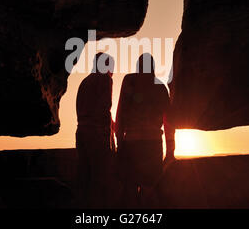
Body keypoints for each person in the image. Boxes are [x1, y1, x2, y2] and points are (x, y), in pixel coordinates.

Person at [115, 53, 175, 207]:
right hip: (152, 143)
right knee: (149, 189)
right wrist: (170, 151)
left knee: (130, 189)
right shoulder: (160, 87)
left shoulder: (130, 81)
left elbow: (121, 113)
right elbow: (169, 122)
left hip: (131, 142)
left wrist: (119, 143)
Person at [75, 52, 115, 208]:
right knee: (100, 178)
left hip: (81, 131)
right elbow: (105, 108)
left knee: (84, 176)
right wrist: (111, 137)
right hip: (97, 134)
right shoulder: (104, 79)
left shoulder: (84, 82)